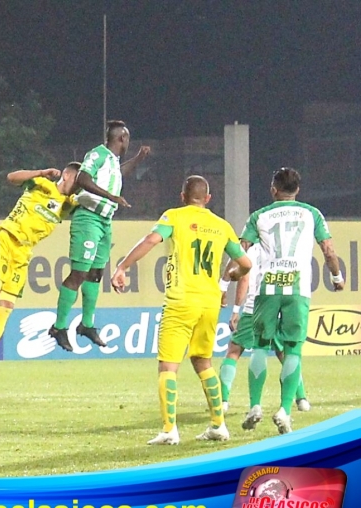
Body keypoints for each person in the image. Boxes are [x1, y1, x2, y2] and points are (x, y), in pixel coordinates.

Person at [111, 176, 251, 445]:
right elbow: (245, 262)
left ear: (182, 196)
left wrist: (123, 266)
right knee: (203, 362)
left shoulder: (174, 216)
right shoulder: (221, 226)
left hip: (181, 300)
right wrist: (232, 277)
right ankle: (218, 425)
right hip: (209, 303)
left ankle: (168, 430)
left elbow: (152, 240)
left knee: (168, 365)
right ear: (207, 199)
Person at [236, 167, 343, 434]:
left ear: (273, 189)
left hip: (268, 287)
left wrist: (235, 272)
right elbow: (328, 251)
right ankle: (285, 410)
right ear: (298, 190)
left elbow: (241, 251)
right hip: (297, 288)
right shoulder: (312, 213)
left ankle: (255, 406)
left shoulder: (258, 215)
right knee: (293, 349)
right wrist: (337, 276)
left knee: (260, 345)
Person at [0, 163, 81, 383]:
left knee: (7, 306)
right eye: (78, 179)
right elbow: (11, 177)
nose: (79, 185)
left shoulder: (68, 205)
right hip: (7, 238)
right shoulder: (42, 184)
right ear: (66, 175)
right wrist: (40, 172)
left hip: (24, 253)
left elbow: (93, 199)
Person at [49, 120, 150, 351]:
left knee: (95, 274)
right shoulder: (98, 154)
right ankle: (59, 326)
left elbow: (121, 173)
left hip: (105, 221)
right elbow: (83, 178)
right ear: (122, 138)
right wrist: (111, 197)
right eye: (128, 139)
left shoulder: (113, 161)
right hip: (89, 217)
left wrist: (138, 158)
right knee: (79, 273)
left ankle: (86, 324)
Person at [218, 244, 310, 415]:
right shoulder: (282, 250)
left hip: (255, 307)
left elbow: (244, 278)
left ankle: (223, 401)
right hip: (280, 306)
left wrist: (236, 309)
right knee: (286, 353)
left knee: (234, 350)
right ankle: (301, 399)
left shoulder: (251, 251)